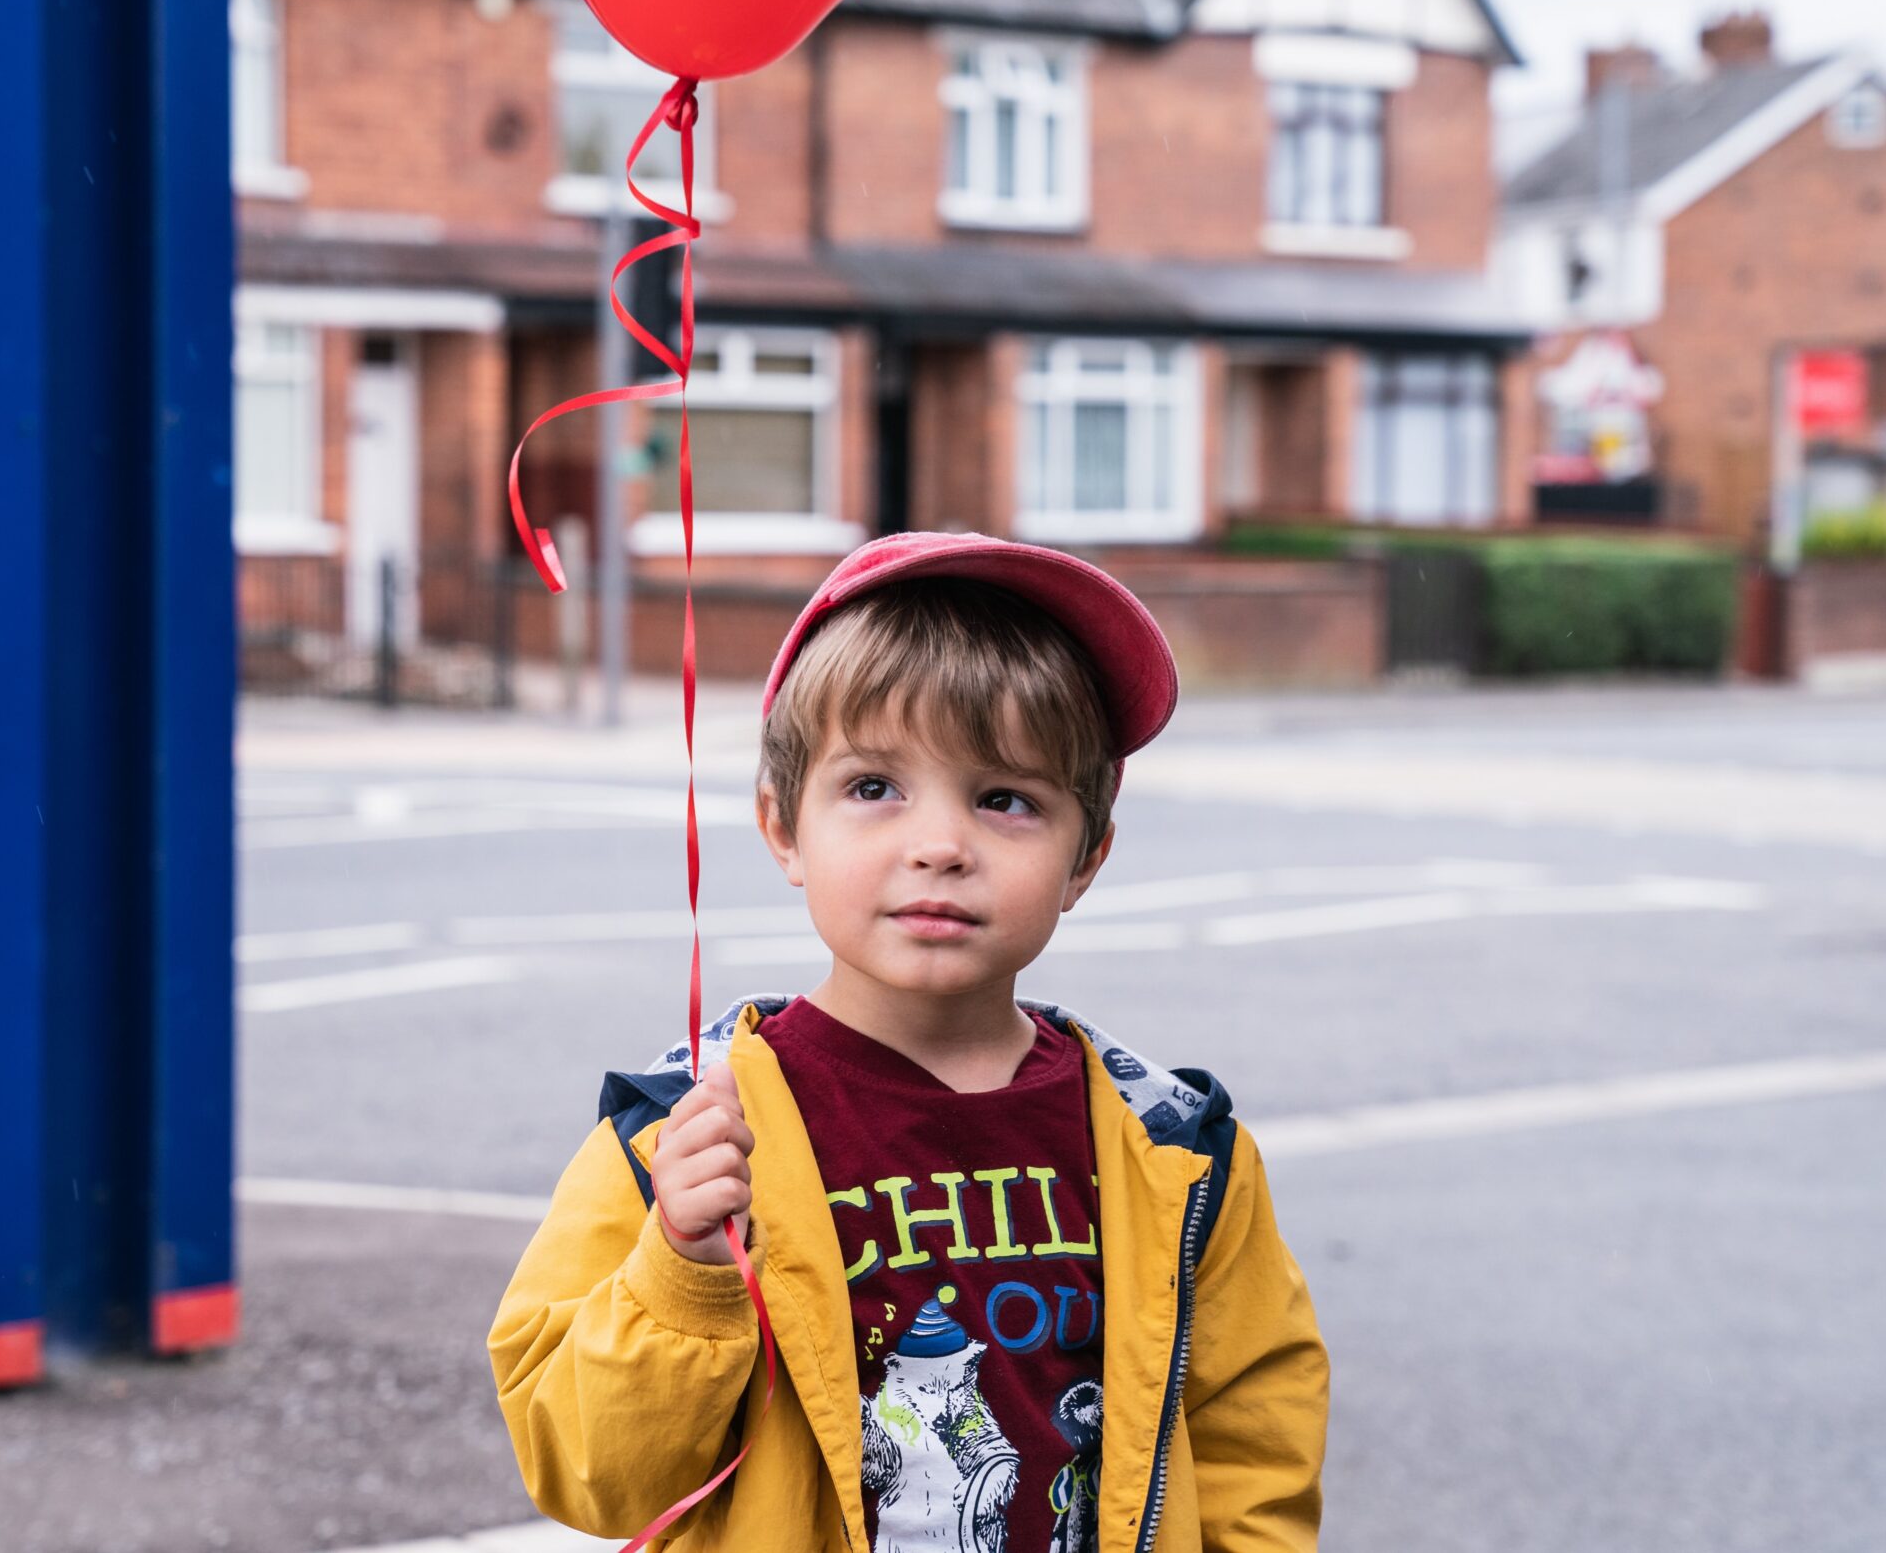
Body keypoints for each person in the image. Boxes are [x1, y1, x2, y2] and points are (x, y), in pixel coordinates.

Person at [488, 529, 1330, 1552]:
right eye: (873, 787)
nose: (938, 846)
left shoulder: (1176, 1150)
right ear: (781, 826)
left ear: (1086, 858)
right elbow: (589, 1476)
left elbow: (1253, 1443)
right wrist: (680, 1270)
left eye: (1005, 799)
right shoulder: (682, 1132)